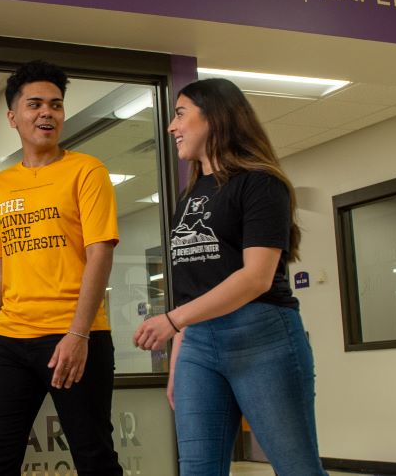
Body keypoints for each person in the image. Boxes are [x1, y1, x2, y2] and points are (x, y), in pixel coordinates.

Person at [133, 78, 326, 476]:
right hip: (199, 345)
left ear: (215, 117)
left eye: (181, 114)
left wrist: (172, 322)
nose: (172, 126)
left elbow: (256, 277)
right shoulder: (189, 198)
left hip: (262, 338)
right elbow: (192, 290)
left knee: (297, 469)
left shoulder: (261, 183)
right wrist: (178, 365)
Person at [0, 60, 123, 476]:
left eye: (56, 105)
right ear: (13, 117)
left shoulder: (86, 171)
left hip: (74, 336)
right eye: (35, 104)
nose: (47, 113)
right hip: (10, 339)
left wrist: (77, 335)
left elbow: (100, 253)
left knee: (94, 457)